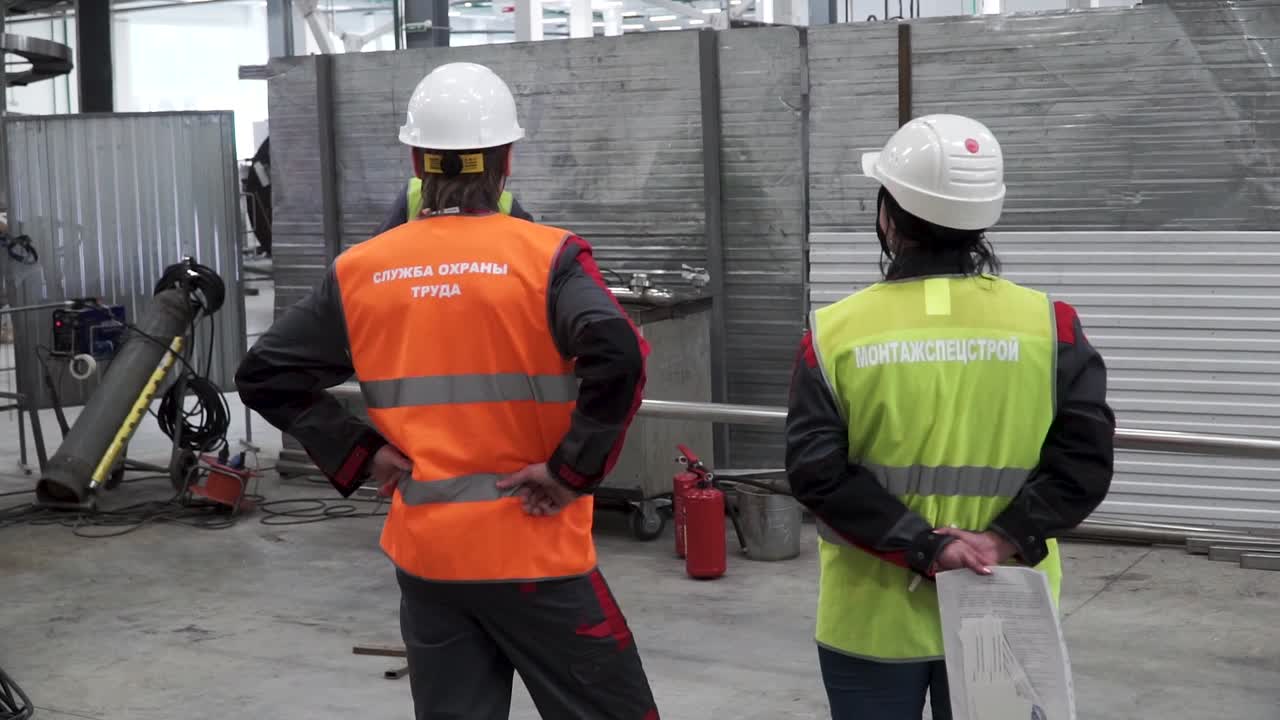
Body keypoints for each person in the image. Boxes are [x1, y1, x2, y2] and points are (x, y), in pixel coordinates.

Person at [236, 61, 660, 720]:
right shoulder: (549, 258)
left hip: (430, 563)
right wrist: (572, 471)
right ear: (507, 161)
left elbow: (264, 374)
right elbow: (619, 351)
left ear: (416, 158)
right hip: (536, 554)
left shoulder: (361, 270)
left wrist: (360, 453)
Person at [784, 114, 1115, 720]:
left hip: (871, 622)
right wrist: (1000, 538)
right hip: (1006, 602)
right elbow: (1085, 463)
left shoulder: (833, 335)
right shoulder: (1050, 327)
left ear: (888, 216)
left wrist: (925, 547)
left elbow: (816, 474)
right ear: (983, 218)